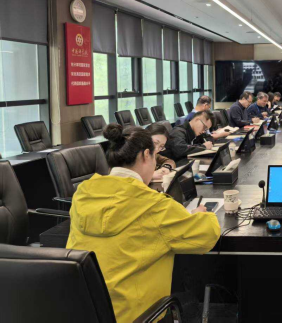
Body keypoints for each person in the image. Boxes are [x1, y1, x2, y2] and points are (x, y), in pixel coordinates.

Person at [67, 124, 220, 323]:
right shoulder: (154, 205)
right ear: (146, 155)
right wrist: (201, 215)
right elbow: (206, 236)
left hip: (82, 310)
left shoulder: (83, 193)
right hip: (134, 315)